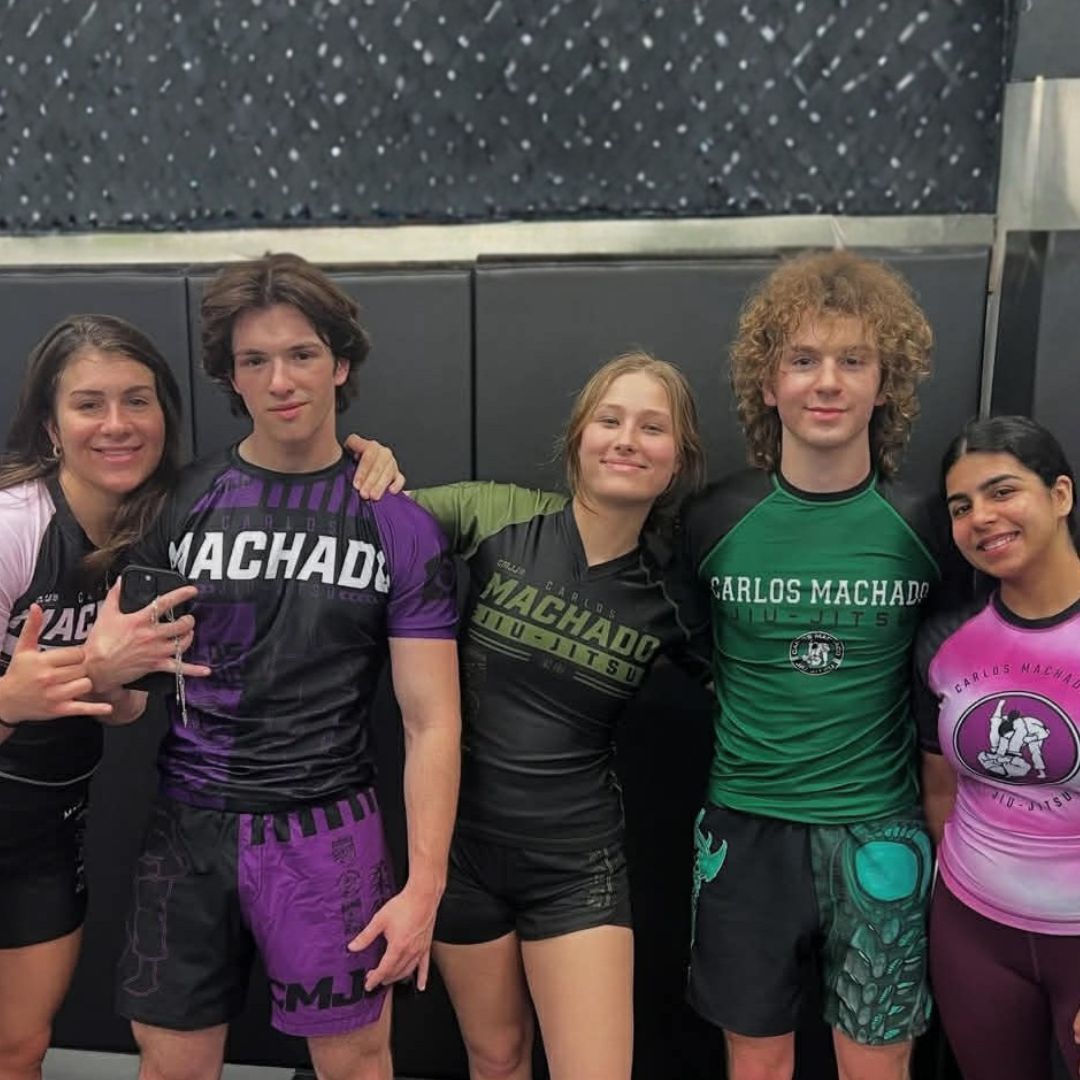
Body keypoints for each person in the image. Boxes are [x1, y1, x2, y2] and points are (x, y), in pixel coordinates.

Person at [110, 253, 461, 1080]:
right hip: (187, 829)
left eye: (301, 354)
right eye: (254, 361)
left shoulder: (397, 522)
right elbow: (123, 682)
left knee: (356, 1064)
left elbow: (431, 719)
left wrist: (425, 886)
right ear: (231, 379)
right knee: (170, 1068)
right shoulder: (179, 504)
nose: (280, 380)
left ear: (339, 362)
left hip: (326, 833)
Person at [682, 250, 959, 1079]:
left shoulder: (927, 521)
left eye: (852, 360)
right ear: (769, 385)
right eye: (802, 360)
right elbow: (694, 649)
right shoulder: (713, 519)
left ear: (885, 383)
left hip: (879, 832)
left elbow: (952, 677)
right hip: (744, 829)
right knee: (756, 1067)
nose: (827, 382)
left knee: (875, 1068)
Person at [403, 352, 709, 1080]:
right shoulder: (494, 516)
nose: (627, 439)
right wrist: (377, 468)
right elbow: (355, 526)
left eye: (652, 427)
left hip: (578, 867)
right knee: (497, 1058)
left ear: (678, 461)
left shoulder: (671, 596)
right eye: (610, 419)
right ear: (578, 438)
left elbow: (762, 692)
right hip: (460, 853)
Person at [0, 315, 206, 1080]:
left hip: (43, 832)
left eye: (136, 401)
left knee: (19, 1047)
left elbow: (122, 706)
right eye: (90, 404)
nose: (117, 425)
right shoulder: (13, 528)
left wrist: (365, 456)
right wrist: (8, 702)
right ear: (52, 425)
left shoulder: (157, 527)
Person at [914, 415, 1080, 1080]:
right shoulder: (945, 642)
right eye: (962, 505)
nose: (981, 517)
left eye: (1002, 491)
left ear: (1060, 495)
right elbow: (940, 793)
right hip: (974, 936)